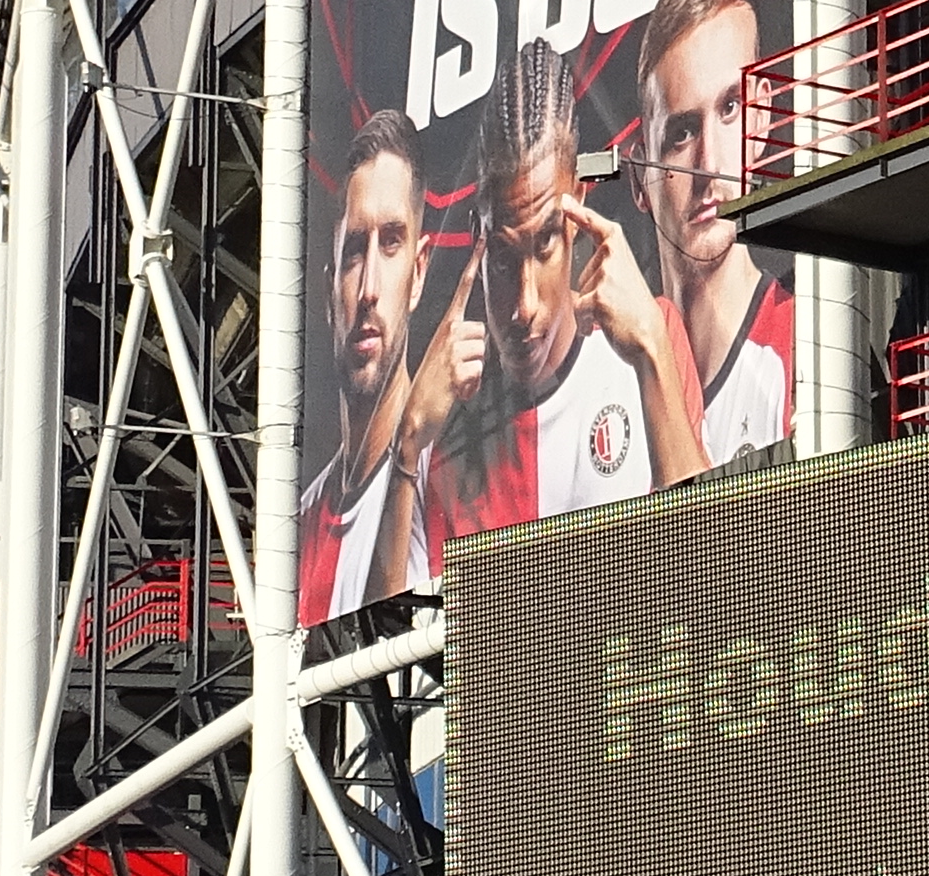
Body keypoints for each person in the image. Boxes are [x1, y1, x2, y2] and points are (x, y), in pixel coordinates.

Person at [422, 34, 710, 551]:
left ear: (579, 205)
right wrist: (406, 456)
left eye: (546, 241)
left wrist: (648, 347)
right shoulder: (448, 443)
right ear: (477, 233)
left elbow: (711, 558)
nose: (525, 304)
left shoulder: (651, 334)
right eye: (506, 258)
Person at [630, 0, 797, 467]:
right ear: (639, 176)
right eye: (681, 132)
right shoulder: (605, 379)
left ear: (763, 115)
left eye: (730, 109)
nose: (709, 165)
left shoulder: (806, 345)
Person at [290, 115, 437, 620]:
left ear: (418, 274)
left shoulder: (448, 476)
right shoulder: (299, 522)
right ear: (331, 288)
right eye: (355, 250)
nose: (370, 287)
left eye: (391, 242)